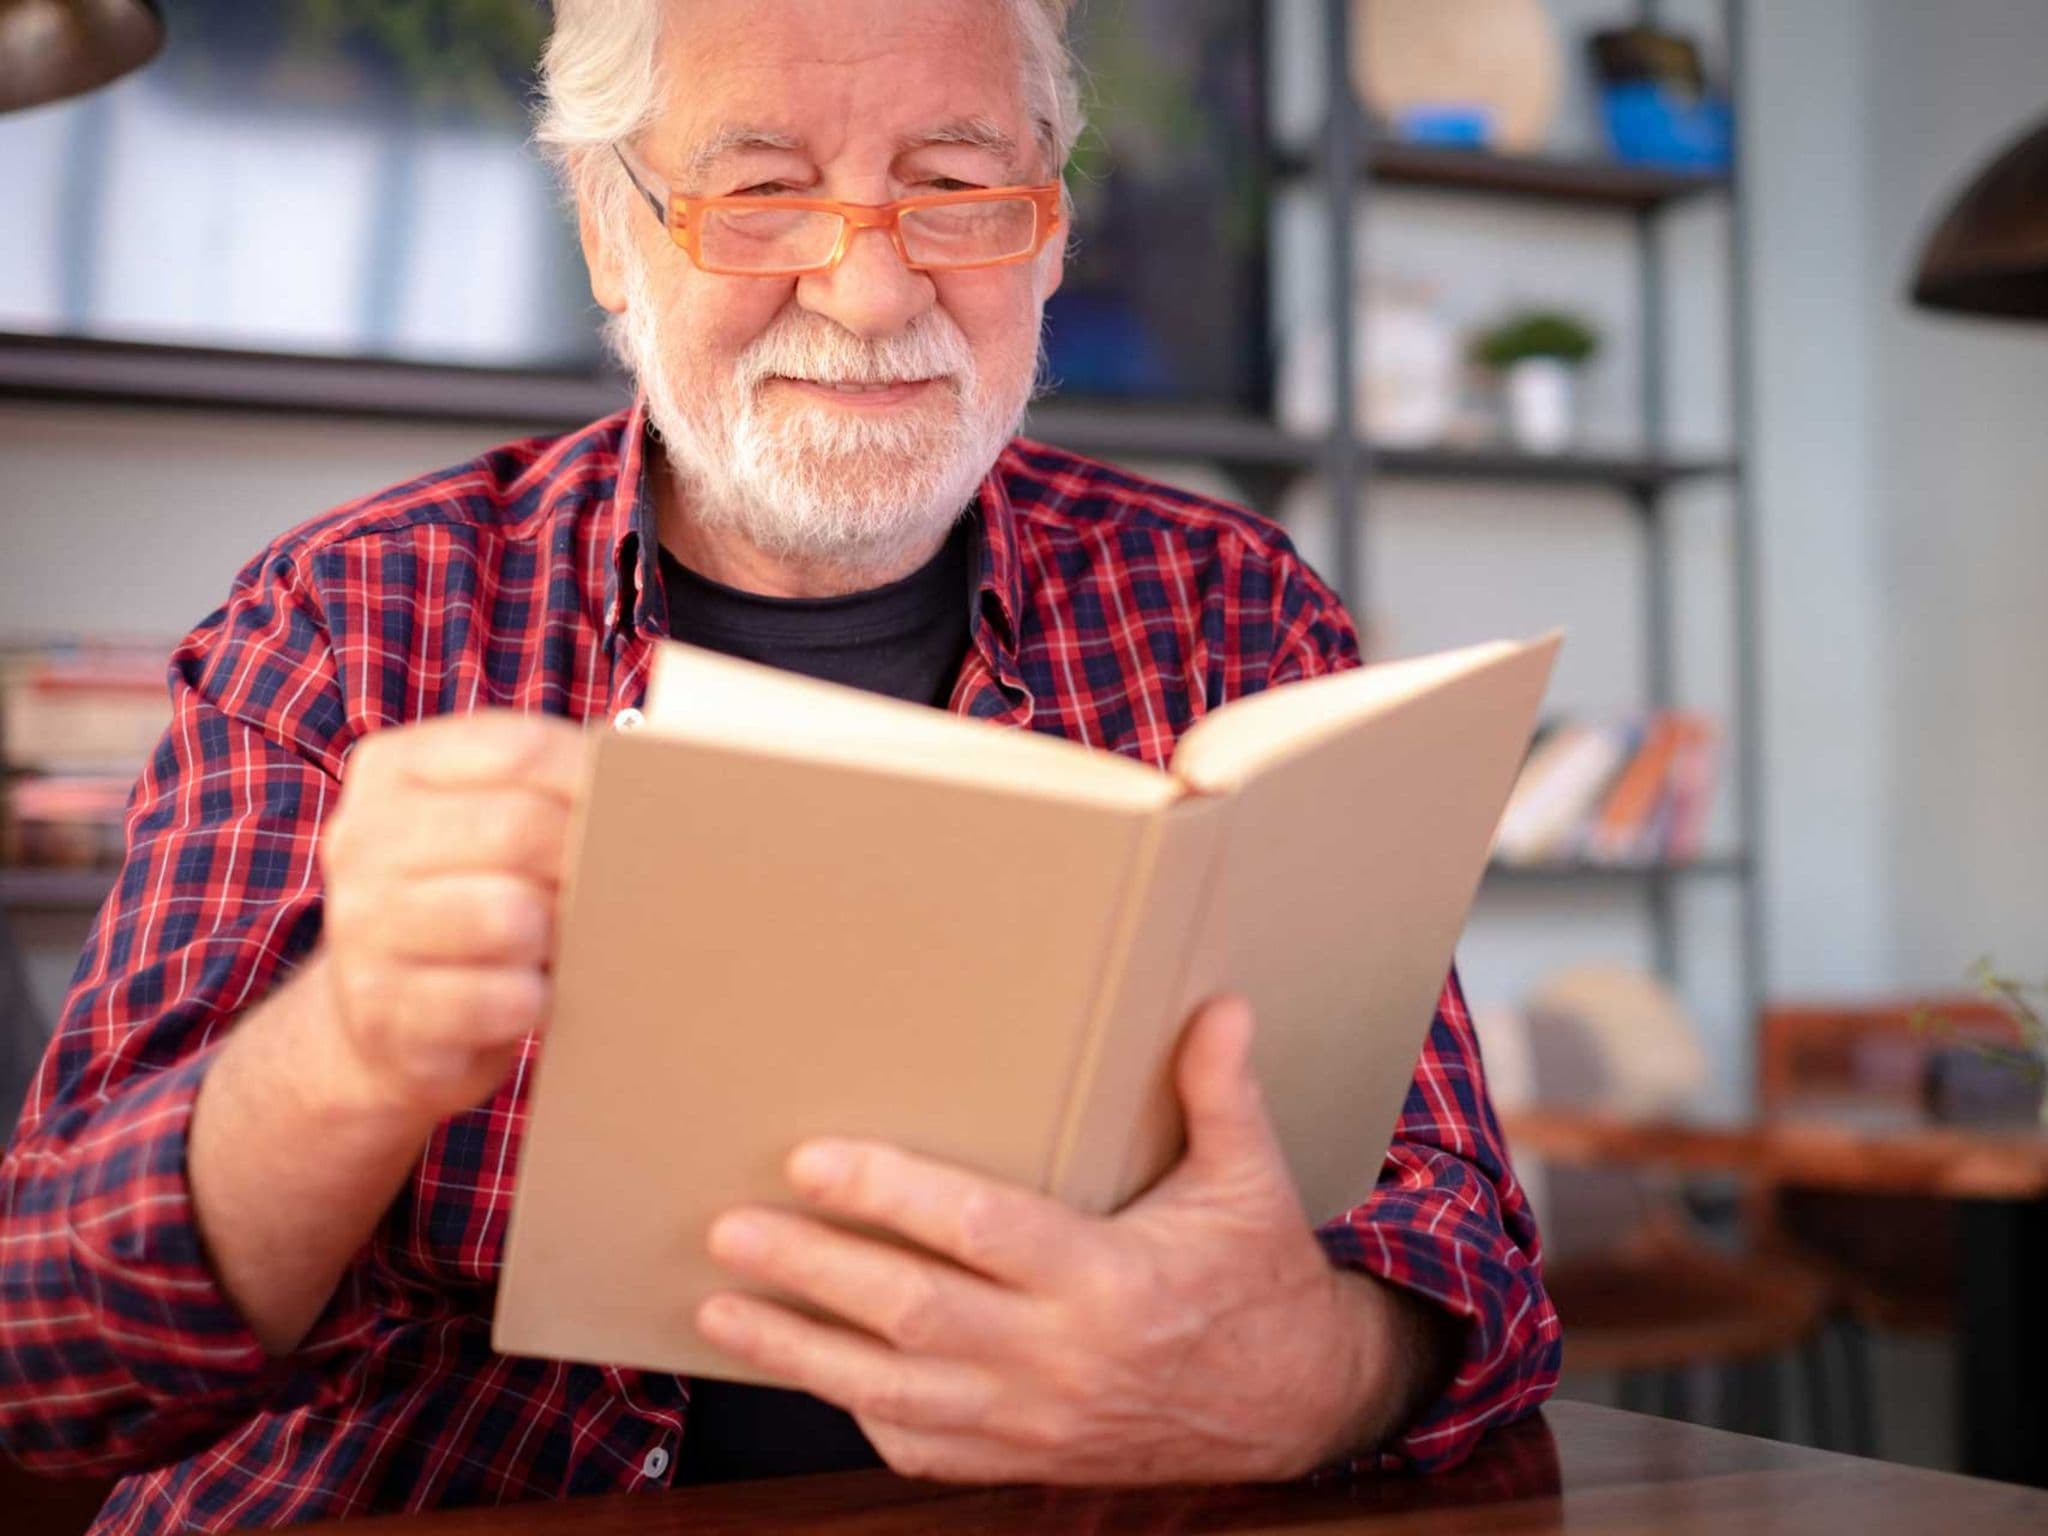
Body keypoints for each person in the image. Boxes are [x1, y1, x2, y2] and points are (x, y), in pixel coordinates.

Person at [0, 1, 1560, 1527]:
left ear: (1051, 231)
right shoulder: (346, 622)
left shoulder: (1232, 610)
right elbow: (53, 1360)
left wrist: (1297, 1373)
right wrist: (345, 1052)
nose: (871, 293)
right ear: (610, 230)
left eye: (955, 189)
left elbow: (1468, 1253)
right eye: (760, 194)